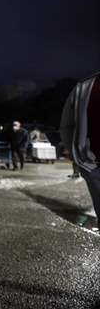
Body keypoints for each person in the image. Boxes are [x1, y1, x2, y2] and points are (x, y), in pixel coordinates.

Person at [60, 72, 100, 228]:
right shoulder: (83, 87)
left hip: (90, 160)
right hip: (91, 163)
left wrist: (75, 152)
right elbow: (66, 127)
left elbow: (66, 126)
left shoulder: (83, 87)